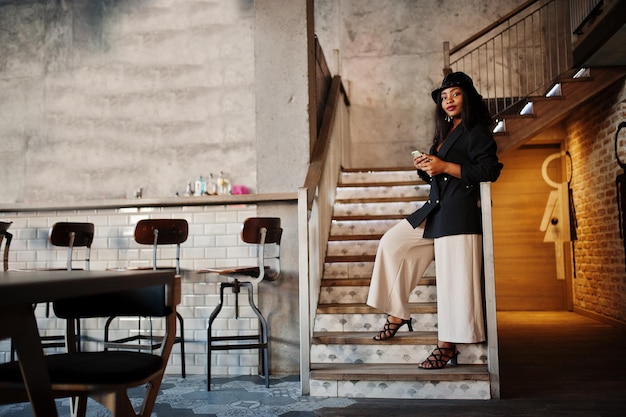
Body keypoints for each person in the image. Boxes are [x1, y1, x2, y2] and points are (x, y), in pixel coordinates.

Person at [366, 71, 503, 369]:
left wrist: (445, 165)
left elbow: (488, 171)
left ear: (467, 96)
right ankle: (398, 312)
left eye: (454, 94)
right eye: (443, 97)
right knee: (392, 243)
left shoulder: (476, 131)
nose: (448, 100)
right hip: (435, 210)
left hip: (460, 214)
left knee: (453, 282)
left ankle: (447, 346)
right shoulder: (444, 133)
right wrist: (427, 166)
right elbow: (442, 172)